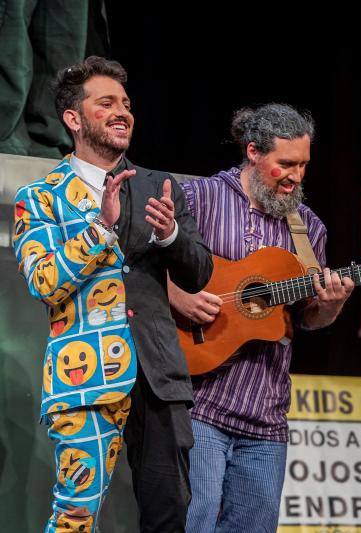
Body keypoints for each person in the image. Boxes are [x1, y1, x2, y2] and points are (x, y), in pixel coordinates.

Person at [12, 55, 213, 532]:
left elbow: (199, 271)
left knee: (171, 515)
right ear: (74, 119)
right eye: (106, 103)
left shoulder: (157, 188)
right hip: (85, 376)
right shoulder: (40, 197)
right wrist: (99, 228)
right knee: (75, 520)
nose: (123, 112)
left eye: (126, 103)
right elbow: (44, 281)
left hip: (159, 374)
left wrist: (169, 238)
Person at [167, 103, 354, 532]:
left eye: (304, 165)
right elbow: (139, 262)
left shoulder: (308, 229)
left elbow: (308, 318)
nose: (296, 176)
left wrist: (330, 304)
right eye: (285, 164)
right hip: (200, 403)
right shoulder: (200, 197)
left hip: (266, 416)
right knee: (191, 523)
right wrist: (179, 296)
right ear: (253, 151)